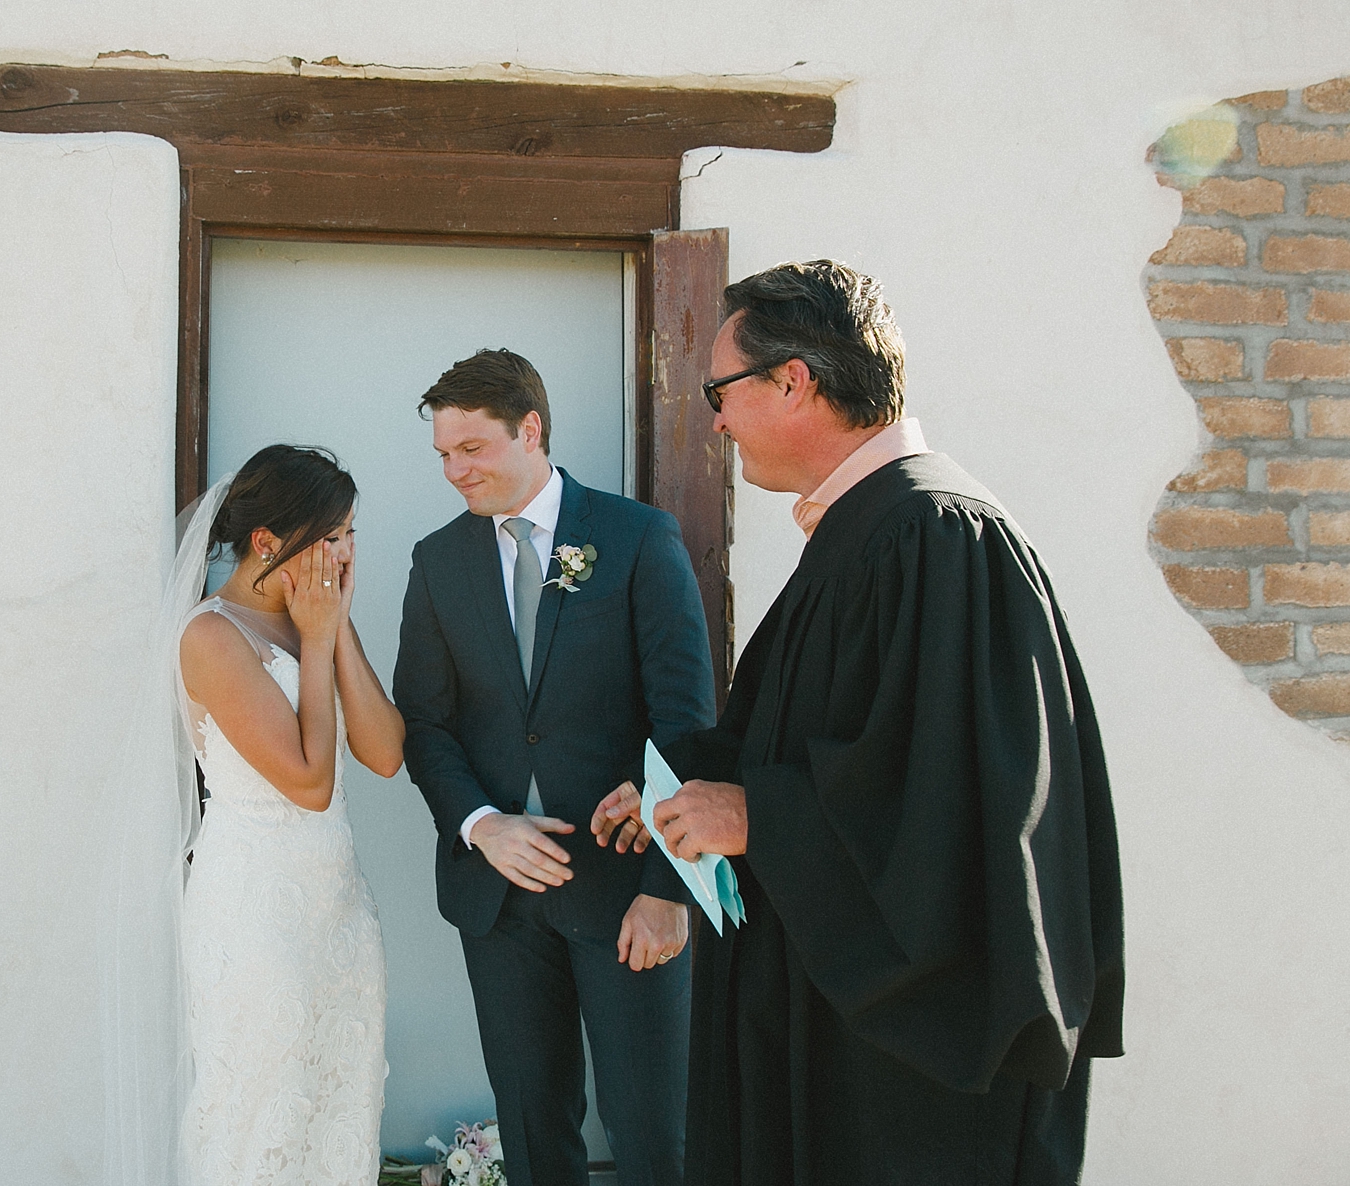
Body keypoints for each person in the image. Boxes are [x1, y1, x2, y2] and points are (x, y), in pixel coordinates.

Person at [604, 261, 1124, 1185]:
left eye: (721, 392)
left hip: (910, 1068)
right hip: (835, 1028)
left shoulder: (936, 536)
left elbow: (956, 801)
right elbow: (814, 738)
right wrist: (684, 792)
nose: (714, 421)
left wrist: (757, 816)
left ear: (794, 381)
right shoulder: (867, 531)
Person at [394, 350, 717, 1186]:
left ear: (530, 429)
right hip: (499, 901)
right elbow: (425, 725)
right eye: (442, 455)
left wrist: (666, 888)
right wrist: (480, 825)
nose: (454, 471)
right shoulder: (438, 563)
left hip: (627, 892)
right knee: (536, 1138)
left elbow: (687, 724)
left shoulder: (638, 538)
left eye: (471, 449)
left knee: (656, 1137)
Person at [173, 444, 408, 1185]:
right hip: (253, 909)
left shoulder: (319, 620)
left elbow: (385, 751)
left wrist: (332, 632)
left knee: (339, 1107)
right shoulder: (212, 636)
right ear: (268, 542)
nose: (344, 551)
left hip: (336, 905)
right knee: (260, 1112)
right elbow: (309, 782)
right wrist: (316, 639)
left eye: (349, 533)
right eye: (329, 535)